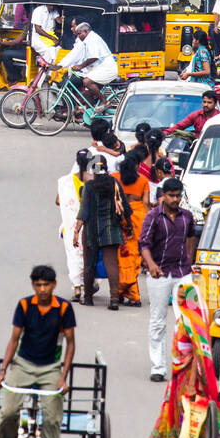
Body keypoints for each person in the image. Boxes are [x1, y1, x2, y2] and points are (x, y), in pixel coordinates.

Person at [0, 265, 77, 438]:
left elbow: (70, 344)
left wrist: (62, 378)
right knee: (8, 412)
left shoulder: (64, 308)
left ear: (54, 285)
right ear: (33, 285)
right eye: (38, 285)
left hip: (50, 368)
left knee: (52, 417)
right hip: (23, 365)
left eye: (46, 285)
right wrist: (3, 371)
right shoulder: (24, 306)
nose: (42, 289)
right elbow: (14, 340)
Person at [142, 280, 220, 438]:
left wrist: (192, 383)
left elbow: (197, 354)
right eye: (177, 297)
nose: (178, 301)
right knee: (180, 413)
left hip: (187, 376)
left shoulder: (192, 320)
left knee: (184, 414)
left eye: (182, 298)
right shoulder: (185, 316)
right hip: (178, 372)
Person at [137, 177, 196, 382]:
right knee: (158, 321)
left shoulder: (187, 217)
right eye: (172, 195)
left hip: (183, 273)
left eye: (179, 195)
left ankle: (185, 366)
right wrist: (151, 265)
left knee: (188, 320)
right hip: (159, 274)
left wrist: (189, 260)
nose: (175, 199)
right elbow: (143, 244)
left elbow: (190, 238)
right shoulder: (153, 217)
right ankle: (158, 367)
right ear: (163, 195)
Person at [73, 155, 128, 308]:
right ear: (105, 166)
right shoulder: (115, 183)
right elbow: (126, 208)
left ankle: (88, 297)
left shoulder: (89, 186)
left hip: (91, 231)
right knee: (111, 265)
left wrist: (76, 231)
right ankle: (114, 299)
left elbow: (83, 212)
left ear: (93, 168)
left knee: (89, 265)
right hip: (111, 230)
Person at [113, 155, 150, 307]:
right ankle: (131, 293)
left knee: (121, 256)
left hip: (119, 217)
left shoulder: (114, 178)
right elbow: (146, 203)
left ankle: (123, 291)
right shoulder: (143, 181)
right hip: (138, 219)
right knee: (134, 255)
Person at [56, 150, 91, 301]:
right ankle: (91, 284)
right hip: (90, 224)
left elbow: (58, 201)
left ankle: (77, 287)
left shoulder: (65, 181)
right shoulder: (94, 180)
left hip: (71, 225)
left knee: (73, 254)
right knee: (90, 255)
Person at [63, 21, 118, 107]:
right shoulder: (88, 40)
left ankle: (104, 101)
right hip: (101, 69)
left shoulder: (92, 39)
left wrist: (80, 66)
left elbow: (94, 57)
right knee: (86, 95)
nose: (78, 36)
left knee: (86, 82)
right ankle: (92, 115)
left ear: (85, 31)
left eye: (79, 34)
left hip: (107, 69)